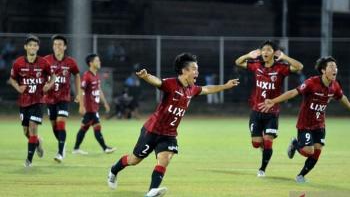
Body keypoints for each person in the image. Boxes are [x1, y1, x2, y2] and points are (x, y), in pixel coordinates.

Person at [107, 52, 240, 197]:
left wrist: (226, 86)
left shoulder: (192, 89)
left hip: (169, 134)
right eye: (194, 69)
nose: (197, 72)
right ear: (184, 71)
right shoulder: (171, 84)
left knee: (164, 159)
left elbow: (208, 88)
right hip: (152, 131)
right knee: (134, 160)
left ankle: (151, 191)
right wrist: (146, 76)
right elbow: (157, 82)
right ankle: (114, 170)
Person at [258, 56, 350, 183]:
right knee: (308, 151)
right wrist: (273, 101)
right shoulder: (311, 83)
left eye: (336, 67)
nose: (335, 69)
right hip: (305, 124)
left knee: (317, 152)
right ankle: (296, 144)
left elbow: (342, 97)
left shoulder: (335, 86)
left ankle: (300, 176)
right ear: (323, 70)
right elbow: (293, 93)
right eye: (331, 67)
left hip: (320, 124)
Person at [235, 40, 303, 177]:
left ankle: (262, 169)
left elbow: (299, 66)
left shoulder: (281, 68)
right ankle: (265, 150)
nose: (265, 52)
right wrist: (249, 55)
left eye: (269, 50)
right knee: (256, 143)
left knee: (268, 141)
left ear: (274, 53)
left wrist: (284, 57)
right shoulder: (256, 65)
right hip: (256, 110)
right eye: (263, 50)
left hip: (272, 113)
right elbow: (238, 62)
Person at [8, 35, 55, 167]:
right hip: (24, 102)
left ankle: (29, 160)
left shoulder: (44, 63)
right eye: (30, 45)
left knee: (33, 127)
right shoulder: (18, 63)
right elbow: (12, 79)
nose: (32, 47)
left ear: (38, 47)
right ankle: (38, 142)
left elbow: (53, 77)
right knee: (26, 132)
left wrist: (48, 85)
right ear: (25, 47)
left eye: (35, 45)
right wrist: (18, 88)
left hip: (38, 101)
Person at [44, 35, 83, 162]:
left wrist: (78, 93)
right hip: (49, 98)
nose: (57, 47)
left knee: (61, 123)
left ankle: (60, 152)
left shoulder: (70, 62)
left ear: (65, 47)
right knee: (54, 126)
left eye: (60, 44)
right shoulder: (46, 60)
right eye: (55, 44)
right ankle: (63, 143)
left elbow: (77, 74)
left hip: (64, 98)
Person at [72, 53, 116, 155]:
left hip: (94, 107)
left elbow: (99, 90)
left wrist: (105, 103)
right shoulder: (87, 76)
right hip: (89, 108)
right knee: (96, 127)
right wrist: (81, 106)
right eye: (97, 60)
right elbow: (81, 90)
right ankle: (105, 148)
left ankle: (76, 148)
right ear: (91, 63)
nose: (99, 62)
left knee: (85, 128)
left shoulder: (96, 75)